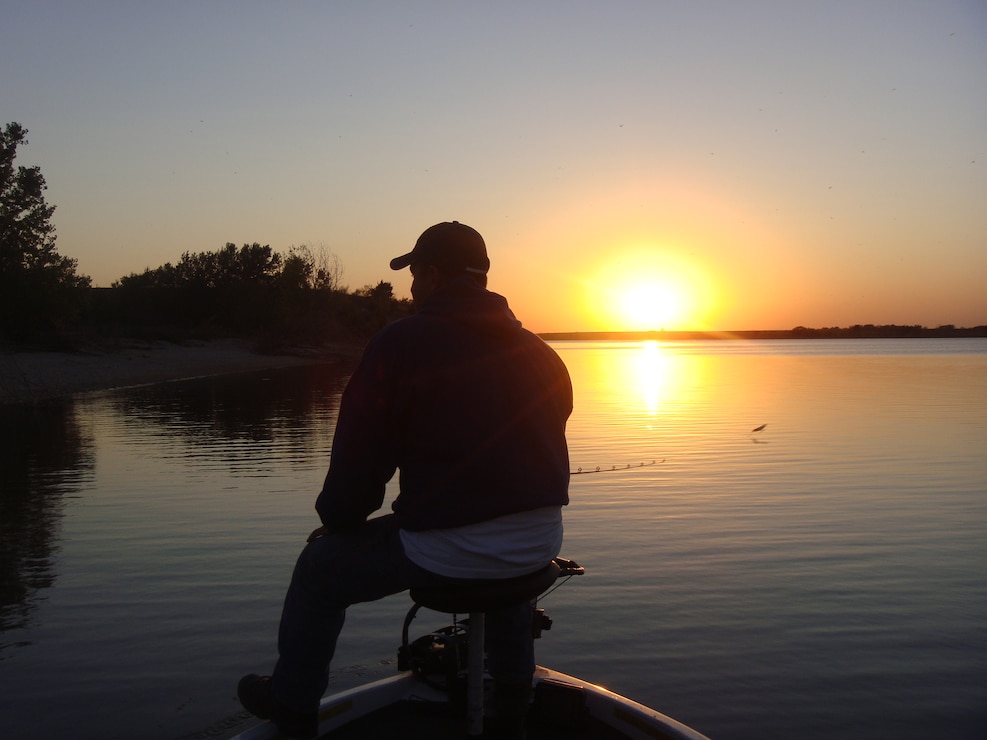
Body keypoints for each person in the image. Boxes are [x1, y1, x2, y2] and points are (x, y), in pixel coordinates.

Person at [237, 221, 573, 738]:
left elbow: (359, 460)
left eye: (414, 273)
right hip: (540, 540)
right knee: (504, 562)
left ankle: (293, 706)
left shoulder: (400, 343)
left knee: (318, 571)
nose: (410, 286)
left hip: (446, 548)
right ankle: (513, 703)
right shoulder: (543, 354)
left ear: (434, 274)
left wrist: (342, 524)